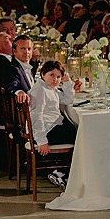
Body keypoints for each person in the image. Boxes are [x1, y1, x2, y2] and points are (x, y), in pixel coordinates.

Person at [29, 60, 79, 189]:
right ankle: (61, 173)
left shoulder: (50, 88)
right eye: (51, 75)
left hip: (52, 125)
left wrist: (67, 83)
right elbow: (36, 116)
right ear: (43, 74)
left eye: (58, 77)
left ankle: (64, 171)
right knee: (81, 138)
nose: (55, 79)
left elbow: (67, 99)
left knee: (78, 131)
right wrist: (41, 141)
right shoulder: (40, 90)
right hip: (45, 130)